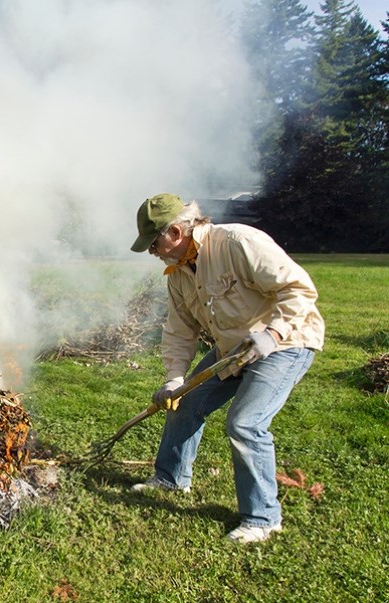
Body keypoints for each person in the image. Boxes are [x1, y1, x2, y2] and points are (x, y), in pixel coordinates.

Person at [129, 193, 324, 544]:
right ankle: (171, 479)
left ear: (175, 231)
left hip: (287, 342)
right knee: (185, 401)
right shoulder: (178, 275)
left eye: (153, 244)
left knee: (246, 424)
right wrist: (175, 379)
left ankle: (263, 518)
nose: (151, 253)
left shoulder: (237, 242)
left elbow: (298, 289)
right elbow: (179, 330)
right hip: (233, 350)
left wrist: (273, 333)